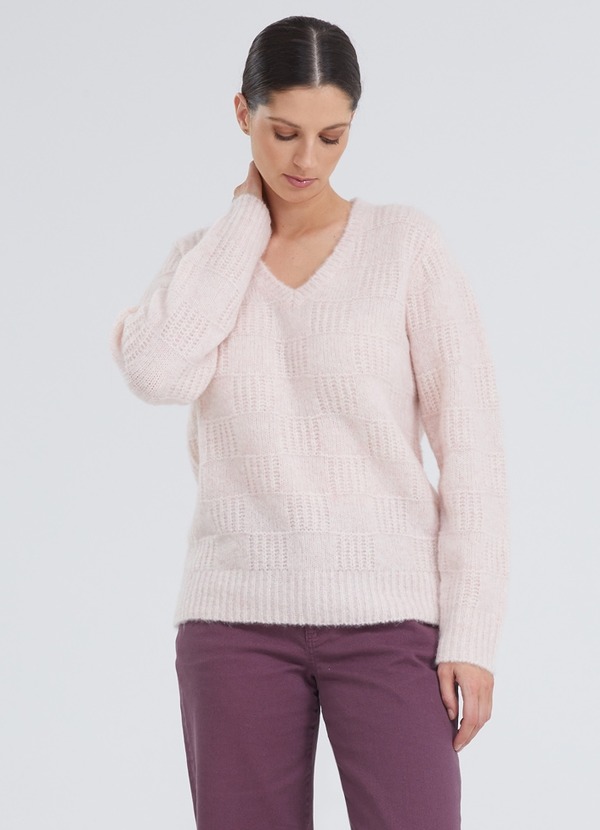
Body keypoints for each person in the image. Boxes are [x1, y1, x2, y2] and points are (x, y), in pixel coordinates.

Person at [110, 15, 509, 830]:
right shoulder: (204, 261)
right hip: (234, 623)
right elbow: (155, 372)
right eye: (283, 132)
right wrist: (243, 224)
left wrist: (471, 633)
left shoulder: (405, 247)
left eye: (332, 137)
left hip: (391, 621)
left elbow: (473, 451)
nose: (306, 161)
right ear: (242, 113)